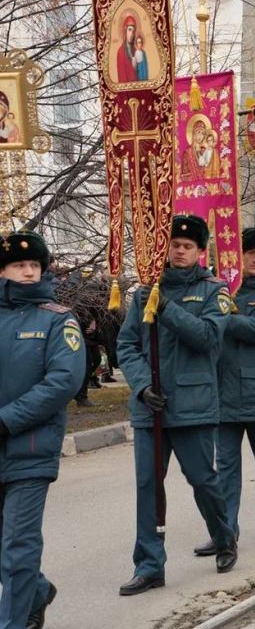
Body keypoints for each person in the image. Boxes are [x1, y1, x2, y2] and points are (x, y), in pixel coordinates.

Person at [116, 214, 237, 596]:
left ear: (200, 251)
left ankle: (224, 536)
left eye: (187, 246)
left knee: (202, 478)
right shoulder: (144, 292)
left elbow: (207, 337)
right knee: (148, 485)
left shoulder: (215, 291)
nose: (180, 251)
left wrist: (166, 307)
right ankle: (149, 565)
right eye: (174, 245)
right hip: (150, 407)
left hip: (193, 403)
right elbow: (127, 345)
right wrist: (141, 386)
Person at [0, 231, 85, 629]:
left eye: (34, 265)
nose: (28, 272)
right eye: (19, 265)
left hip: (31, 449)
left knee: (18, 545)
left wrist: (7, 420)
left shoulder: (58, 318)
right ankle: (36, 591)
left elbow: (63, 381)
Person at [194, 229, 255, 559]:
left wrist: (224, 318)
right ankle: (225, 531)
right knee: (225, 465)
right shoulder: (220, 291)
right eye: (249, 252)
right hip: (224, 390)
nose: (254, 259)